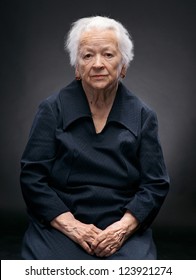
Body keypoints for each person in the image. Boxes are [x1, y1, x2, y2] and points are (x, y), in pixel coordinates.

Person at [20, 16, 169, 260]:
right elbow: (32, 177)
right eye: (87, 55)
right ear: (77, 67)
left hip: (121, 223)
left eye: (108, 55)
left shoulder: (143, 115)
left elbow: (155, 184)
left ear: (123, 65)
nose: (98, 64)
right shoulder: (51, 109)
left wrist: (122, 229)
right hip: (62, 221)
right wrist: (72, 226)